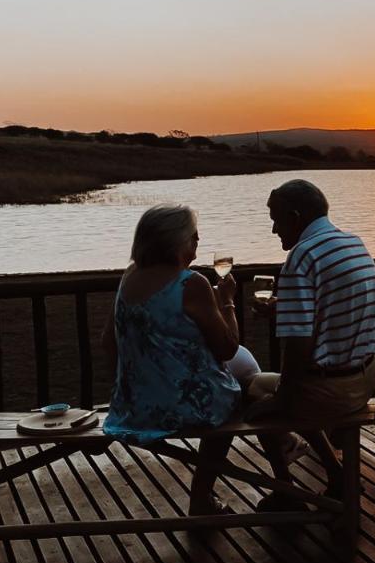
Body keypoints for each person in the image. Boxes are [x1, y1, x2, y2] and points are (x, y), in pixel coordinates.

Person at [101, 203, 260, 515]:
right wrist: (226, 301)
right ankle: (202, 496)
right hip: (185, 409)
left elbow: (108, 341)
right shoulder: (191, 283)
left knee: (238, 374)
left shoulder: (129, 278)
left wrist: (132, 385)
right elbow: (227, 347)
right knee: (235, 394)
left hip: (133, 407)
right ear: (174, 241)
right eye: (193, 238)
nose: (197, 244)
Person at [248, 179, 375, 509]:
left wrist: (280, 399)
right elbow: (336, 307)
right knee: (273, 387)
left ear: (294, 217)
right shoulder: (353, 244)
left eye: (276, 219)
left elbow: (299, 346)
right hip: (362, 381)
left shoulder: (301, 258)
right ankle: (337, 475)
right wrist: (286, 308)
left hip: (328, 391)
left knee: (253, 395)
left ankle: (287, 493)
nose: (274, 229)